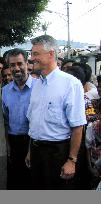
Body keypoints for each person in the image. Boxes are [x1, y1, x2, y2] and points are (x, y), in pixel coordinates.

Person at [26, 35, 87, 189]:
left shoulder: (70, 84)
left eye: (36, 54)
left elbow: (78, 126)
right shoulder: (37, 84)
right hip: (36, 151)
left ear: (51, 54)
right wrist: (30, 151)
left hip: (57, 154)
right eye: (32, 54)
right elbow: (33, 122)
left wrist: (72, 160)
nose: (32, 58)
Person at [2, 48, 35, 189]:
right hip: (13, 142)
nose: (16, 68)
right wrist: (7, 145)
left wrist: (31, 150)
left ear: (27, 63)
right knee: (15, 182)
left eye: (20, 64)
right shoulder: (5, 91)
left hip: (34, 142)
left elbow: (39, 123)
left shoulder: (39, 88)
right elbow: (4, 120)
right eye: (12, 65)